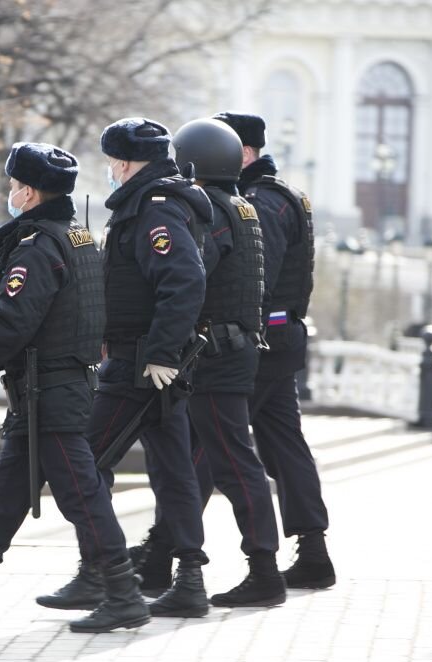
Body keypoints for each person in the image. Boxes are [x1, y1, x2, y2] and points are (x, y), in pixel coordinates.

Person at [0, 142, 150, 634]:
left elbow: (11, 328)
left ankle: (124, 593)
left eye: (16, 185)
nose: (11, 193)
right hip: (46, 391)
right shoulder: (78, 237)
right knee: (6, 492)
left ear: (31, 192)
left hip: (51, 393)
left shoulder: (38, 248)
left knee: (82, 497)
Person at [36, 117, 212, 618]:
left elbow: (184, 282)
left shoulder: (154, 209)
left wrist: (159, 352)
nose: (110, 171)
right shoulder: (158, 202)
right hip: (151, 361)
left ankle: (105, 579)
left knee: (79, 464)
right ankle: (189, 581)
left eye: (113, 162)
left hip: (140, 363)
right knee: (174, 472)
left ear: (127, 162)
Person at [154, 118, 286, 607]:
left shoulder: (212, 211)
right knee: (209, 460)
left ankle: (264, 571)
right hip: (235, 349)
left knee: (234, 465)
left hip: (216, 355)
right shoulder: (244, 206)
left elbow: (193, 274)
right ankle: (162, 555)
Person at [215, 111, 336, 590]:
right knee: (284, 444)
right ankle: (314, 552)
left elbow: (252, 280)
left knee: (209, 439)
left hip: (260, 342)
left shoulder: (258, 203)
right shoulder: (281, 196)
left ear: (245, 153)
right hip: (280, 338)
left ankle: (168, 548)